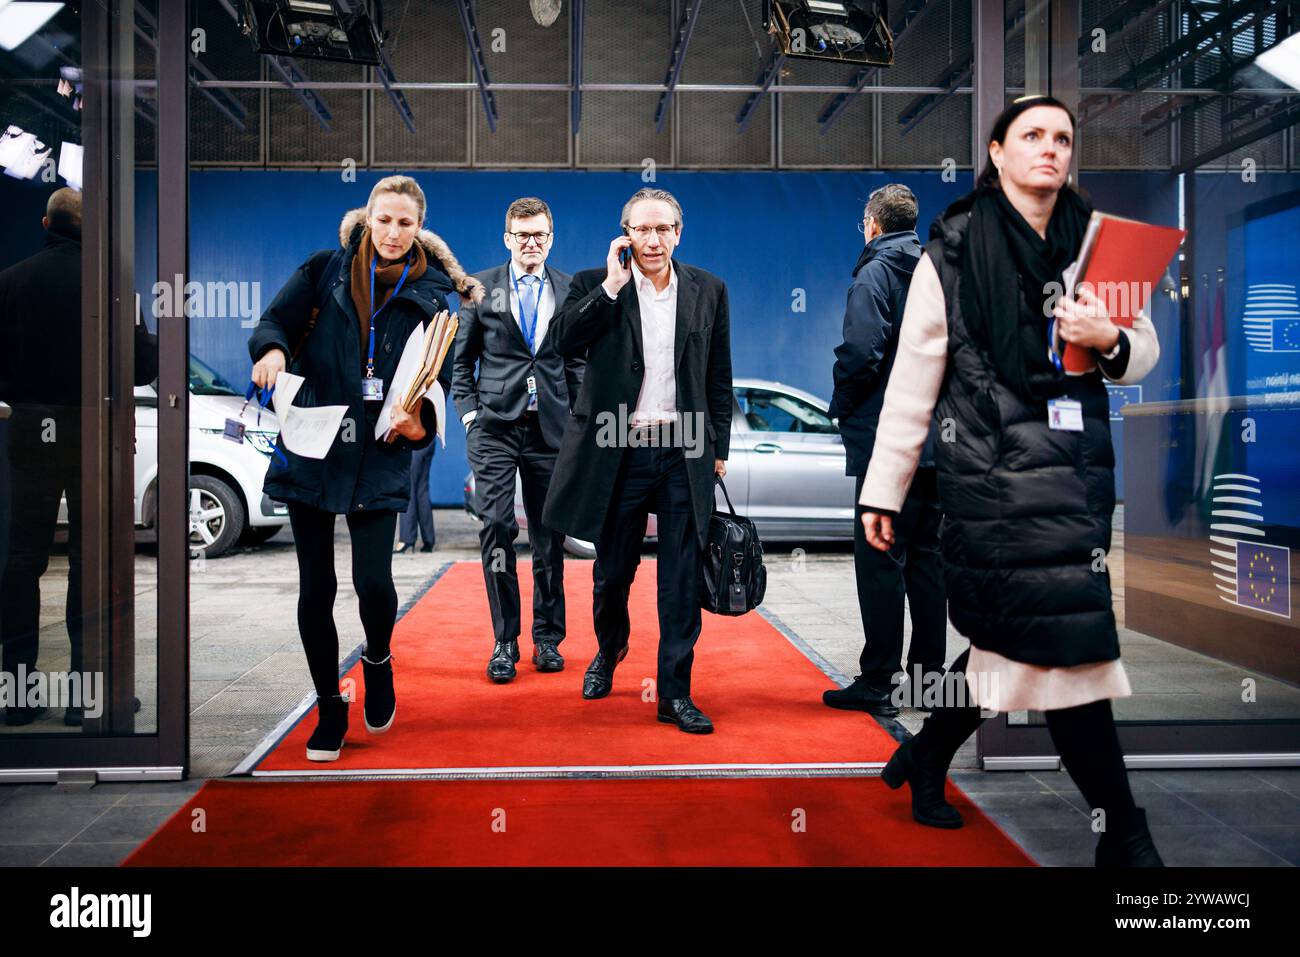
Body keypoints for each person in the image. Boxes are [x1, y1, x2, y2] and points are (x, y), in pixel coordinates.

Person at [859, 95, 1163, 866]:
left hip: (1076, 470)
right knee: (1067, 642)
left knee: (1012, 640)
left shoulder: (1101, 247)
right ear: (997, 152)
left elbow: (1146, 350)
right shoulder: (951, 250)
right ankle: (1123, 833)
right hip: (991, 476)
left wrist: (1111, 338)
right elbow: (913, 377)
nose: (1050, 149)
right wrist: (883, 488)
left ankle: (926, 754)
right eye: (1032, 135)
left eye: (1063, 137)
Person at [248, 175, 483, 761]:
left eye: (405, 223)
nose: (393, 232)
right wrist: (271, 351)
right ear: (368, 218)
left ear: (418, 226)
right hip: (313, 440)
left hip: (379, 451)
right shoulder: (326, 269)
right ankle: (330, 705)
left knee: (373, 582)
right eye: (384, 220)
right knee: (316, 586)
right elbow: (274, 322)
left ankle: (377, 658)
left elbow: (436, 374)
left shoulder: (433, 292)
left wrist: (420, 423)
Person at [543, 188, 732, 734]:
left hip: (683, 449)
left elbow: (719, 376)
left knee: (679, 581)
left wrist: (716, 448)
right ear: (625, 234)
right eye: (641, 230)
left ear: (679, 232)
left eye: (663, 229)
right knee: (611, 574)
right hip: (616, 452)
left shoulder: (709, 290)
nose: (652, 240)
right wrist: (609, 287)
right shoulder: (592, 285)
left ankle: (675, 693)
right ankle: (610, 649)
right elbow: (561, 344)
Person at [0, 187, 156, 727]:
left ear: (46, 222)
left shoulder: (10, 282)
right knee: (90, 565)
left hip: (26, 432)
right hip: (92, 434)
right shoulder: (112, 287)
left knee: (22, 561)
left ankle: (17, 697)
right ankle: (86, 700)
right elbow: (142, 368)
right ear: (90, 228)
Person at [826, 183, 945, 718]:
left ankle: (878, 682)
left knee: (880, 562)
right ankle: (926, 682)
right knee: (926, 561)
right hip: (939, 443)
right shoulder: (938, 271)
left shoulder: (875, 271)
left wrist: (843, 404)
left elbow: (860, 350)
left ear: (872, 223)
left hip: (888, 440)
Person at [451, 197, 582, 682]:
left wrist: (578, 417)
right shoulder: (480, 288)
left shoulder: (570, 289)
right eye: (523, 235)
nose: (532, 243)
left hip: (551, 429)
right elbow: (459, 362)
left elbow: (576, 360)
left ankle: (547, 638)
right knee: (498, 530)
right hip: (495, 429)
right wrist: (468, 417)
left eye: (540, 235)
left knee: (551, 537)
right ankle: (505, 640)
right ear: (507, 238)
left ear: (551, 239)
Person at [395, 441, 436, 554]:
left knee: (408, 488)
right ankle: (428, 540)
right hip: (429, 440)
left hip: (413, 441)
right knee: (422, 491)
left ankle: (407, 539)